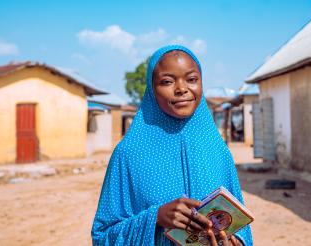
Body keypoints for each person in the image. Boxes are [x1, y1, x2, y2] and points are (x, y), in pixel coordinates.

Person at [91, 45, 253, 246]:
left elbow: (240, 226)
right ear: (152, 90)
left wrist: (235, 241)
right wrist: (155, 217)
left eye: (192, 79)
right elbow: (102, 236)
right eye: (167, 81)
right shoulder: (128, 154)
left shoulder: (218, 152)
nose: (182, 89)